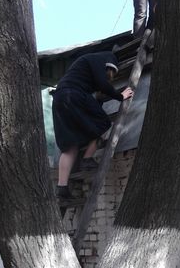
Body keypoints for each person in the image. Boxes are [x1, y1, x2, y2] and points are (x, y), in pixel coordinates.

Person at [52, 51, 134, 200]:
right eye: (110, 73)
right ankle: (88, 159)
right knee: (104, 123)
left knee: (70, 146)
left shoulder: (84, 66)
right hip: (74, 96)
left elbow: (98, 91)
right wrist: (120, 96)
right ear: (110, 65)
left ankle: (62, 187)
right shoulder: (99, 60)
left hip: (59, 99)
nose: (109, 77)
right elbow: (103, 84)